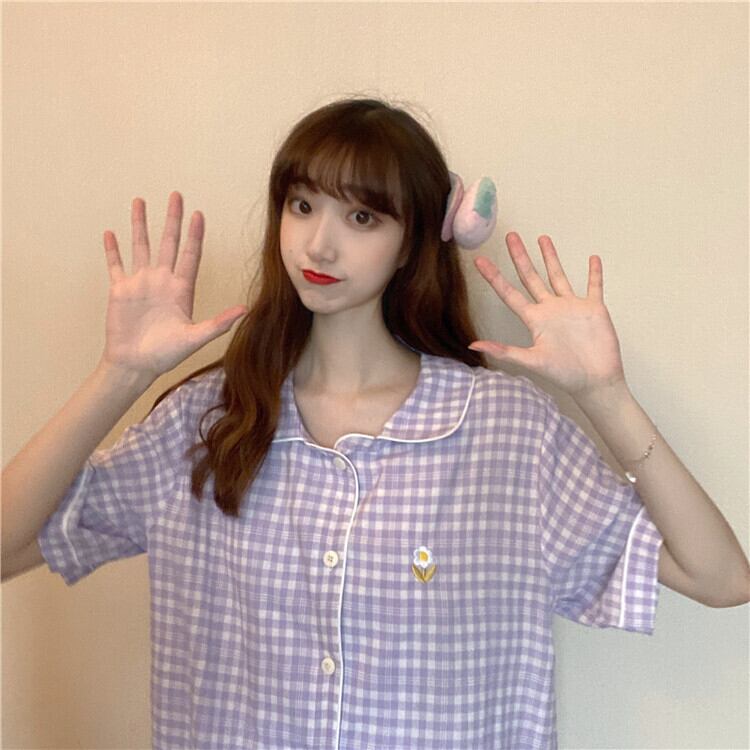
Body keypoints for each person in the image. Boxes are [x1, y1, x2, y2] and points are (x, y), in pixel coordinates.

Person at [2, 96, 748, 749]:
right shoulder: (209, 423)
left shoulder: (506, 432)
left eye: (361, 217)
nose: (319, 244)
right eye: (302, 206)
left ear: (413, 243)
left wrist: (607, 395)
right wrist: (120, 375)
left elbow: (719, 578)